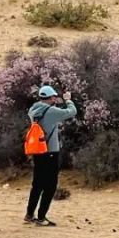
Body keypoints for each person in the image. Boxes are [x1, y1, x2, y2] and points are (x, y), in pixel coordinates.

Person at [25, 85, 77, 226]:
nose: (55, 98)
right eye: (53, 97)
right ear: (50, 98)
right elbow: (72, 112)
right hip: (50, 152)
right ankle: (41, 217)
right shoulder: (52, 111)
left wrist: (55, 103)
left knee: (37, 184)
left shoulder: (34, 109)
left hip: (38, 151)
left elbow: (47, 109)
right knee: (50, 186)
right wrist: (68, 100)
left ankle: (29, 214)